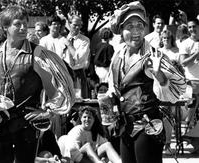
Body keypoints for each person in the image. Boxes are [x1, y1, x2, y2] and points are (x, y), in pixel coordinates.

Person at [0, 6, 74, 163]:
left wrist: (48, 111)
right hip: (1, 124)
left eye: (25, 23)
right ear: (5, 27)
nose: (23, 27)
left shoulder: (37, 54)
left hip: (27, 125)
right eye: (17, 24)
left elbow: (62, 86)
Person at [106, 1, 186, 163]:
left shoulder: (152, 56)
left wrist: (159, 75)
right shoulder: (118, 54)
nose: (136, 31)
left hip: (147, 126)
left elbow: (176, 91)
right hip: (124, 126)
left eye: (139, 26)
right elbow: (113, 83)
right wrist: (110, 94)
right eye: (130, 26)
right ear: (121, 30)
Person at [179, 19, 199, 154]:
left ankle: (196, 142)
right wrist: (197, 53)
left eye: (194, 27)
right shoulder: (186, 43)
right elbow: (183, 63)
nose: (192, 29)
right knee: (190, 115)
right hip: (191, 82)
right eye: (190, 27)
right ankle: (188, 137)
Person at [64, 15, 90, 99]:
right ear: (69, 24)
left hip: (78, 74)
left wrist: (69, 45)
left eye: (79, 25)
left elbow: (78, 58)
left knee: (79, 101)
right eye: (75, 25)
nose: (77, 27)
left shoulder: (85, 40)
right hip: (64, 73)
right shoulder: (62, 39)